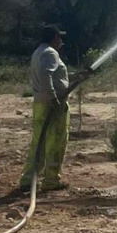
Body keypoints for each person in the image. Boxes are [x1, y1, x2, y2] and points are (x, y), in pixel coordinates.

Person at [19, 25, 73, 192]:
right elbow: (45, 75)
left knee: (38, 143)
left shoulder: (39, 52)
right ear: (54, 37)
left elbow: (53, 76)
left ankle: (28, 179)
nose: (61, 41)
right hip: (52, 105)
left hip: (40, 104)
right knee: (56, 142)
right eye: (59, 37)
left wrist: (75, 77)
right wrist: (54, 99)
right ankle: (51, 180)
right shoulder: (50, 53)